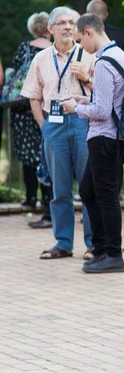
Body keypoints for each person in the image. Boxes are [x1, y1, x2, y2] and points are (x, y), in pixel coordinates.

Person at [20, 7, 94, 260]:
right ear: (50, 29)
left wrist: (86, 78)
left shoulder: (88, 54)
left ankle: (93, 244)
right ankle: (63, 243)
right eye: (62, 23)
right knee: (60, 189)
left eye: (72, 22)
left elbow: (102, 92)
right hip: (53, 124)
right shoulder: (41, 59)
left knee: (88, 186)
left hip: (83, 122)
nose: (68, 27)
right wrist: (44, 127)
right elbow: (33, 96)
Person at [61, 14, 124, 273]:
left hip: (104, 137)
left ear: (89, 32)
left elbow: (102, 111)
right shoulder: (120, 54)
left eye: (80, 40)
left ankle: (113, 254)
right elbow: (109, 100)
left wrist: (75, 108)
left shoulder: (103, 63)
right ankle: (100, 248)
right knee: (89, 190)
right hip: (111, 137)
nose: (81, 46)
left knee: (107, 197)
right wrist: (83, 100)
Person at [10, 12, 53, 226]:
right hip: (46, 108)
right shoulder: (53, 50)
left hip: (23, 108)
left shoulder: (24, 48)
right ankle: (47, 198)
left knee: (28, 155)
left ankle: (30, 197)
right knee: (46, 153)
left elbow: (14, 74)